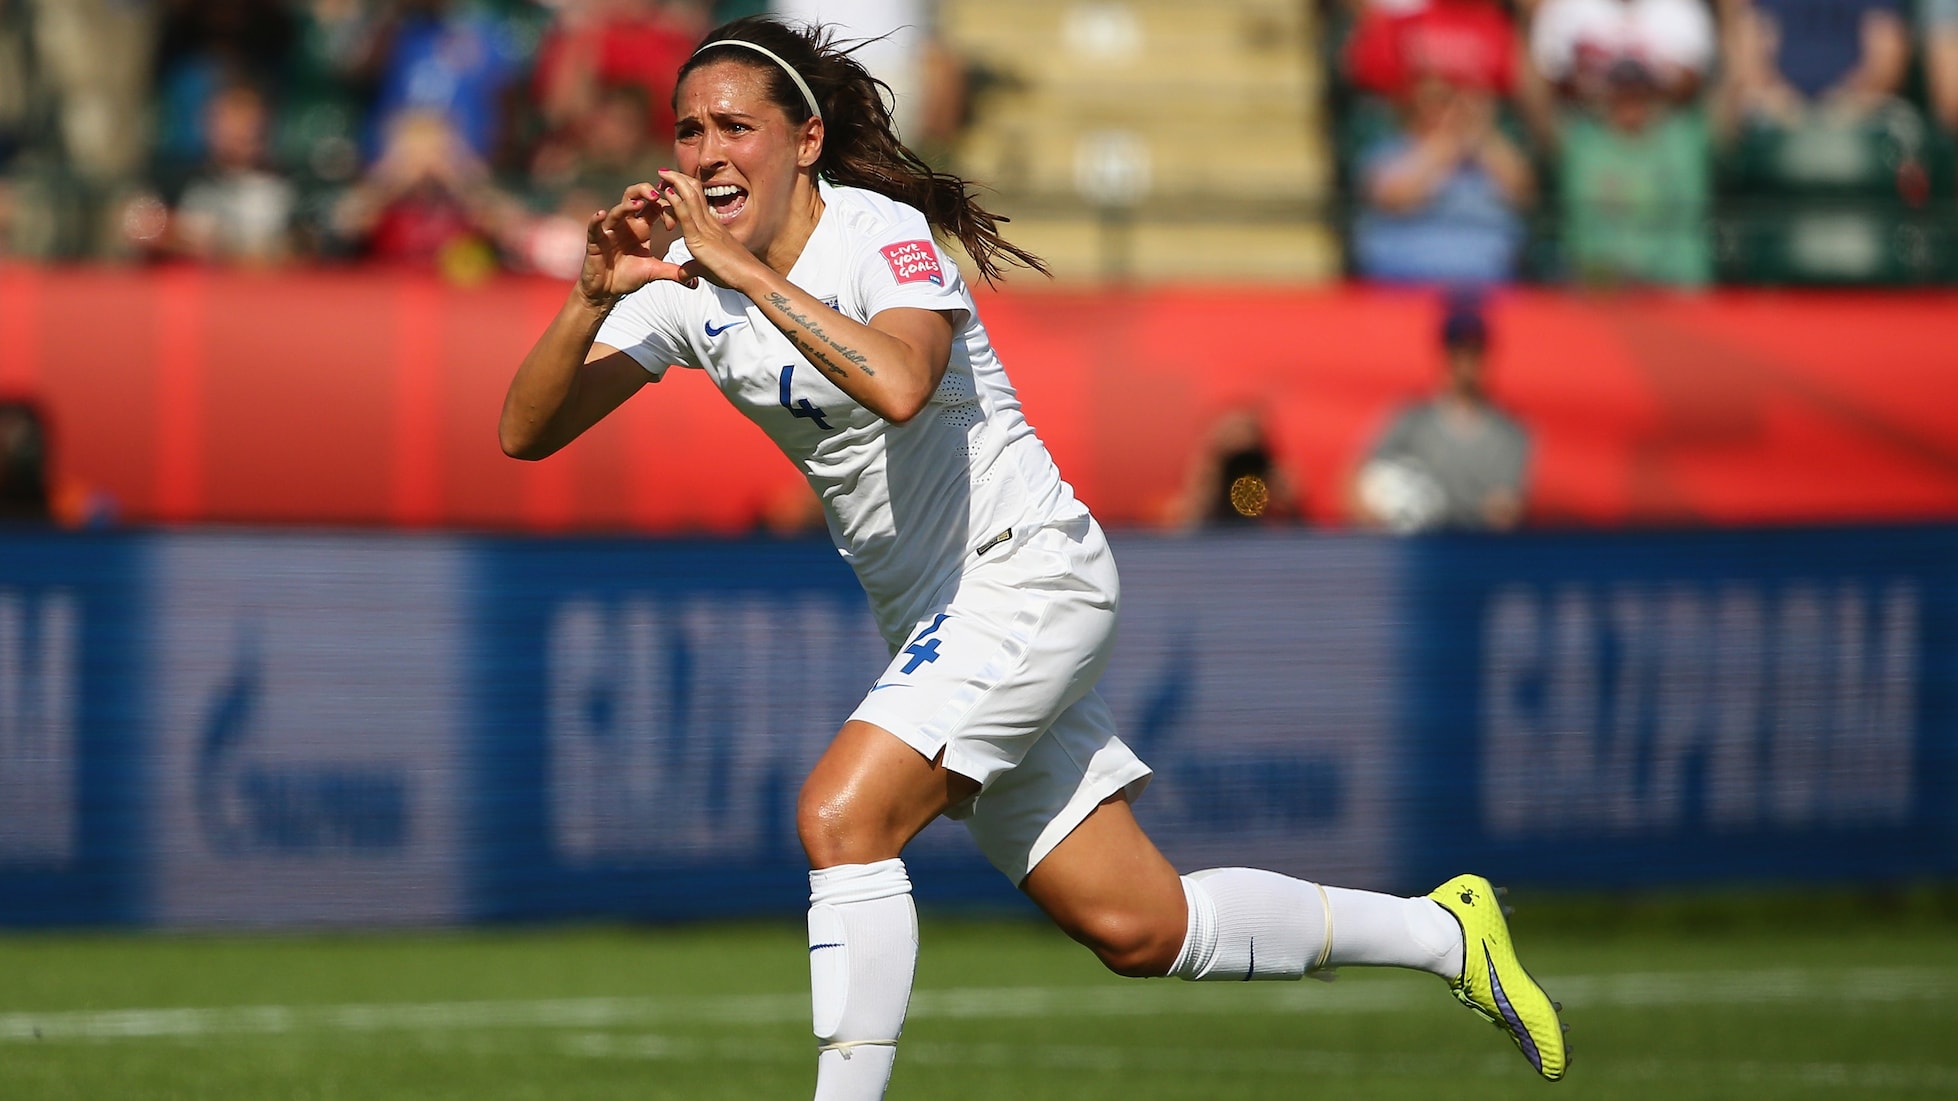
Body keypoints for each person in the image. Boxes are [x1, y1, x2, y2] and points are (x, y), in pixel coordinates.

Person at [498, 17, 1568, 1098]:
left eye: (735, 125)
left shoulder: (878, 236)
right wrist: (592, 296)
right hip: (935, 619)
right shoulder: (690, 288)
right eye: (688, 131)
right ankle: (1444, 932)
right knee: (1142, 926)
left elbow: (900, 381)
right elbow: (526, 431)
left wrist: (731, 266)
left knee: (840, 816)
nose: (706, 151)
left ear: (806, 139)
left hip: (1026, 572)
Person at [1352, 298, 1531, 532]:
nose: (1465, 362)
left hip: (1479, 552)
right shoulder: (1410, 419)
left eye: (1474, 351)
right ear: (1444, 355)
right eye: (1457, 351)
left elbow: (1506, 510)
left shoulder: (1511, 433)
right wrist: (1382, 513)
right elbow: (1356, 480)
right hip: (1416, 548)